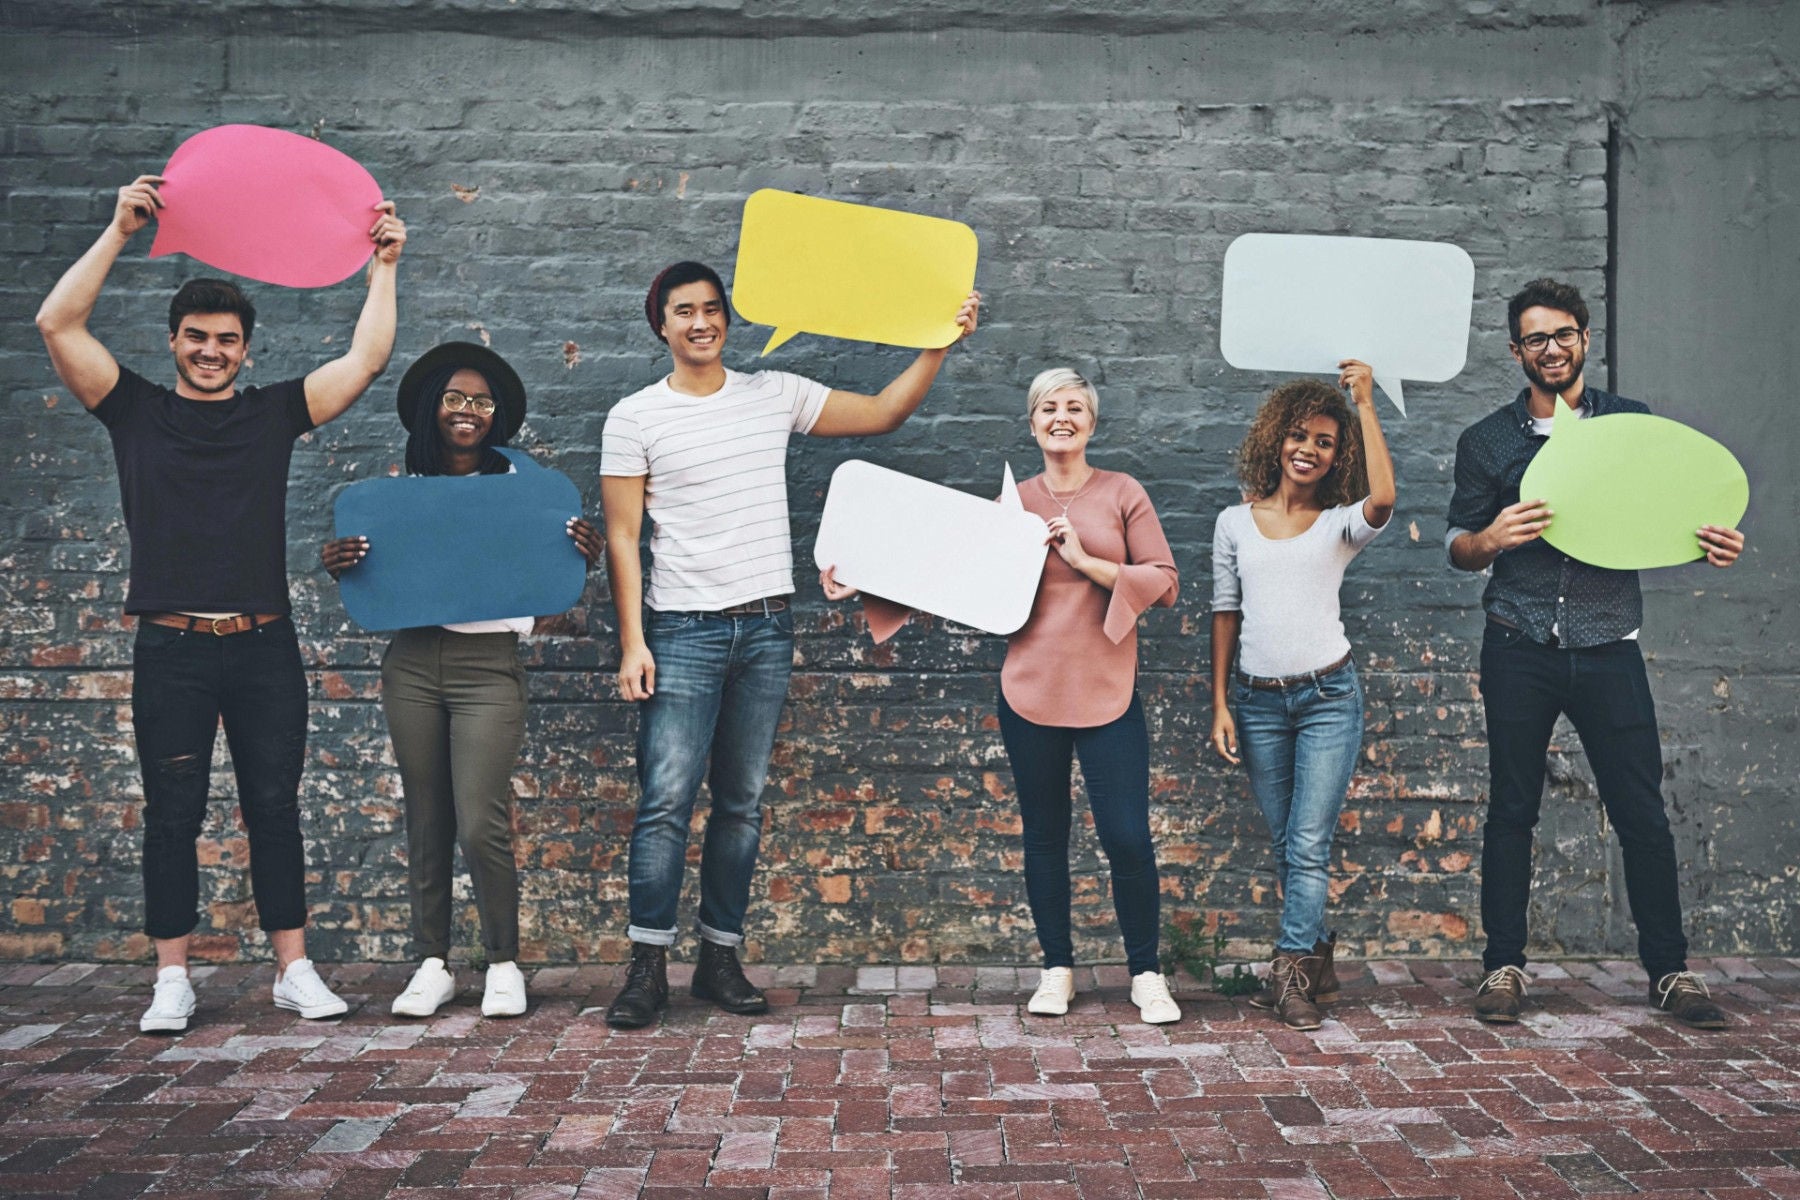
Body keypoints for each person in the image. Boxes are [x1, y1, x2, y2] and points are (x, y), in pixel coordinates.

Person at [34, 174, 406, 1033]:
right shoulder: (132, 410)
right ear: (173, 342)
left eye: (227, 340)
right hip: (171, 649)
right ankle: (173, 977)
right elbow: (59, 322)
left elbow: (366, 361)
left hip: (264, 647)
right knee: (173, 814)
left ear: (247, 350)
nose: (211, 350)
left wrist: (383, 267)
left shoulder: (273, 414)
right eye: (196, 337)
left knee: (275, 806)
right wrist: (120, 228)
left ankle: (293, 969)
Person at [599, 261, 979, 1028]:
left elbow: (879, 415)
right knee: (666, 802)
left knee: (741, 805)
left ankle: (719, 958)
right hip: (681, 630)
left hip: (766, 628)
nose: (701, 322)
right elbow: (622, 536)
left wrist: (941, 343)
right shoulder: (634, 417)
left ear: (726, 321)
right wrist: (633, 643)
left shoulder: (774, 393)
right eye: (684, 312)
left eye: (712, 309)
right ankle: (646, 968)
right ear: (660, 325)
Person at [822, 368, 1181, 1024]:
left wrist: (1085, 561)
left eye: (1075, 407)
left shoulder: (1123, 493)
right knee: (1044, 834)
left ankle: (1147, 973)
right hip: (1030, 691)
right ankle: (1056, 969)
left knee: (1127, 835)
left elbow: (1163, 581)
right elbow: (947, 578)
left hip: (1107, 690)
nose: (1061, 416)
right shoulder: (1012, 503)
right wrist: (863, 582)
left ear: (1092, 423)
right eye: (1049, 407)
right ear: (1033, 422)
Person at [1446, 278, 1745, 1029]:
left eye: (1564, 334)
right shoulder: (1486, 441)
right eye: (1536, 339)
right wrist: (1492, 538)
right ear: (1516, 351)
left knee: (1641, 811)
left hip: (1609, 644)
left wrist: (1712, 543)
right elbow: (1459, 545)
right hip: (1518, 643)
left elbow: (1673, 517)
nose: (1552, 349)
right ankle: (1504, 966)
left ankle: (1670, 972)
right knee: (1513, 808)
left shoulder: (1631, 426)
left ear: (1585, 338)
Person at [321, 343, 602, 1019]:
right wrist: (341, 562)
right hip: (412, 665)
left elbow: (558, 605)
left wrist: (574, 565)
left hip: (488, 670)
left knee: (480, 821)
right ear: (432, 409)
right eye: (455, 398)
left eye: (481, 401)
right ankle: (432, 963)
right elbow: (379, 584)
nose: (468, 411)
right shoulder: (398, 501)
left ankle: (503, 963)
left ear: (496, 414)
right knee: (427, 819)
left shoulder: (527, 495)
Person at [1208, 362, 1395, 1030]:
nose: (1309, 449)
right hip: (1257, 705)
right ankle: (1316, 954)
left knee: (1308, 844)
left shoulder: (1339, 525)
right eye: (1299, 435)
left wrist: (1365, 407)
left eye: (1324, 441)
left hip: (1327, 699)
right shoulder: (1234, 523)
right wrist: (1221, 703)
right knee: (1289, 842)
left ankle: (1290, 980)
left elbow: (1386, 501)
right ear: (1275, 440)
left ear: (1336, 455)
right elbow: (1223, 611)